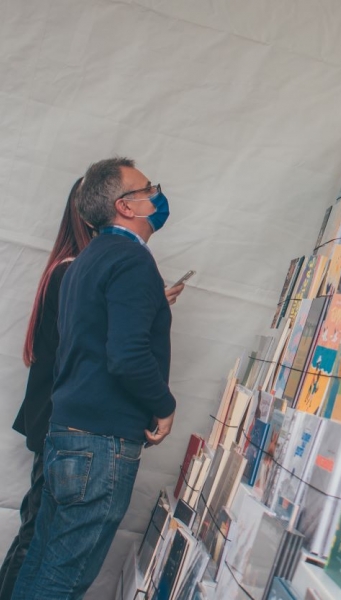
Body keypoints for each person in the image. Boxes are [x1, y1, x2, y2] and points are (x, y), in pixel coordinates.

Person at [13, 157, 181, 599]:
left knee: (43, 563)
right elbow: (125, 357)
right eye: (149, 188)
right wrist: (165, 406)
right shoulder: (131, 261)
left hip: (67, 434)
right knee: (63, 578)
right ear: (126, 206)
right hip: (100, 444)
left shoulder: (86, 260)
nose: (156, 195)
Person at [0, 179, 92, 599]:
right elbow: (86, 344)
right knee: (37, 532)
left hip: (53, 417)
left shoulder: (67, 268)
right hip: (57, 420)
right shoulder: (72, 270)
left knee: (35, 528)